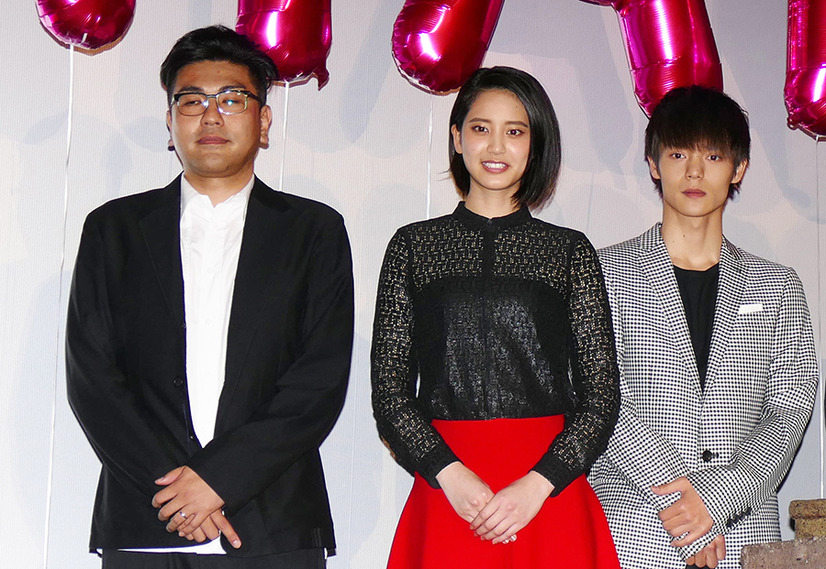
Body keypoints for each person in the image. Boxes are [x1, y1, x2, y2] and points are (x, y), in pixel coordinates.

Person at [66, 25, 353, 569]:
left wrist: (219, 480)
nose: (211, 116)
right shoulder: (113, 230)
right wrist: (180, 492)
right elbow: (92, 378)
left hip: (273, 525)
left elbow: (319, 379)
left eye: (232, 99)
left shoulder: (314, 232)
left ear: (263, 121)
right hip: (147, 522)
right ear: (170, 121)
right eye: (192, 100)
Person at [371, 66, 621, 568]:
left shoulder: (568, 252)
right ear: (456, 137)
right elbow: (389, 391)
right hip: (446, 490)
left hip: (547, 494)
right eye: (481, 128)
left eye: (515, 131)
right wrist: (448, 473)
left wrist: (539, 484)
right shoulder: (413, 247)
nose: (497, 146)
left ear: (535, 144)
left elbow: (601, 395)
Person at [588, 85, 818, 569]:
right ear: (654, 164)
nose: (694, 171)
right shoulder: (603, 273)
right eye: (678, 154)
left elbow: (789, 408)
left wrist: (717, 497)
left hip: (743, 531)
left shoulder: (777, 285)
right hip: (635, 528)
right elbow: (599, 395)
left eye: (713, 156)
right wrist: (684, 505)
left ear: (739, 168)